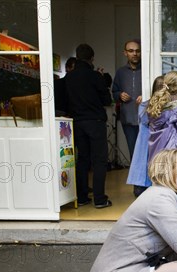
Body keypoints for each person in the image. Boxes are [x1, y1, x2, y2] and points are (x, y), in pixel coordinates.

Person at [65, 43, 112, 209]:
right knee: (99, 160)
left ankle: (82, 196)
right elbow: (107, 100)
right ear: (92, 58)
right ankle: (99, 199)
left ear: (76, 58)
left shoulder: (68, 78)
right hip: (95, 122)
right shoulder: (95, 76)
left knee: (82, 159)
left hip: (76, 123)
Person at [127, 75, 165, 197]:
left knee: (142, 171)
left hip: (144, 144)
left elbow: (143, 121)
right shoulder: (166, 108)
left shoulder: (144, 106)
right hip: (157, 144)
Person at [111, 39, 142, 160]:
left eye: (137, 51)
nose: (135, 53)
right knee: (133, 154)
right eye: (131, 51)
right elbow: (114, 92)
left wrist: (147, 97)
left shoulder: (146, 71)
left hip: (146, 120)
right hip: (128, 119)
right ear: (125, 53)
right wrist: (119, 95)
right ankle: (135, 179)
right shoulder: (120, 72)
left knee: (148, 154)